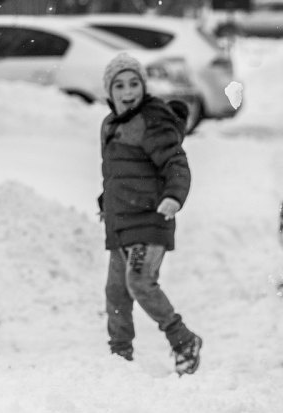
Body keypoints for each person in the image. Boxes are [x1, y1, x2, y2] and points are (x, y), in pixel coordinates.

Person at [98, 53, 201, 375]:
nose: (127, 91)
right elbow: (120, 172)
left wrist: (174, 196)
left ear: (143, 86)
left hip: (151, 217)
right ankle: (120, 356)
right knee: (116, 291)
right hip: (121, 221)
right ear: (109, 91)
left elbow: (175, 162)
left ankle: (183, 340)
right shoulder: (111, 124)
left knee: (139, 282)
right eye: (119, 85)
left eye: (134, 83)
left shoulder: (152, 119)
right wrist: (107, 201)